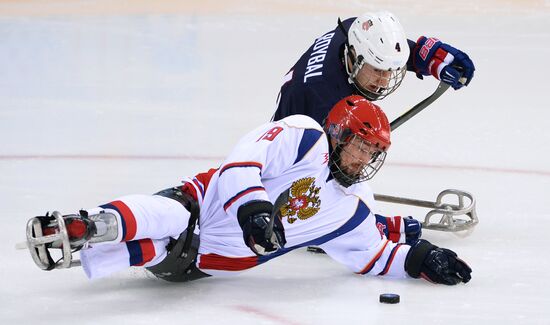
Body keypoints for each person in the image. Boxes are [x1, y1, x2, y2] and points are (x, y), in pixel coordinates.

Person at [25, 95, 471, 285]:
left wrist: (417, 258)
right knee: (172, 219)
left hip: (200, 266)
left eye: (373, 153)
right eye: (359, 145)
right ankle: (85, 227)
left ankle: (86, 245)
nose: (363, 160)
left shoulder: (352, 210)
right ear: (337, 132)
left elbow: (371, 255)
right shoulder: (305, 136)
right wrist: (254, 209)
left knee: (165, 248)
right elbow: (244, 160)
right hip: (201, 203)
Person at [272, 11, 475, 125]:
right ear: (353, 57)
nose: (385, 80)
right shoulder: (321, 98)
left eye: (390, 71)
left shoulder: (354, 31)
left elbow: (382, 46)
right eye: (378, 70)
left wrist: (424, 56)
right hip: (293, 137)